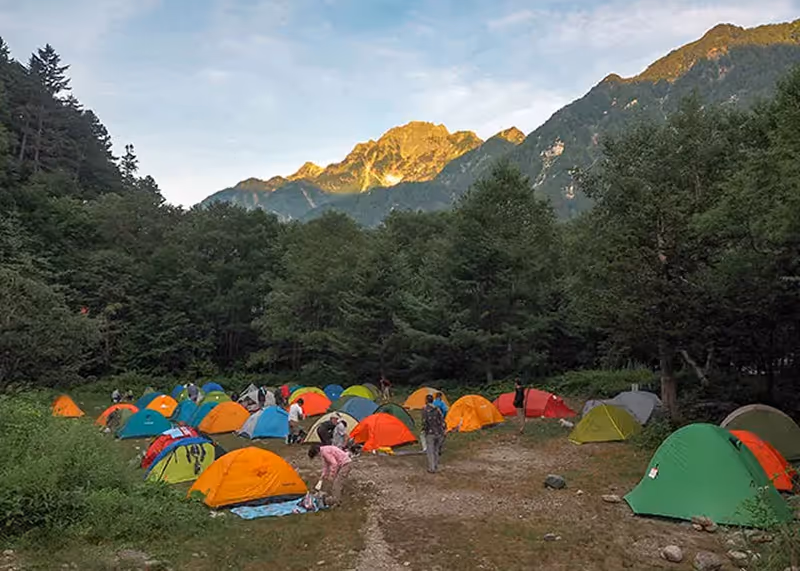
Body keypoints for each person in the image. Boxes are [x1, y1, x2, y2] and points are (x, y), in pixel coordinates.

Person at [422, 394, 446, 473]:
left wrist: (424, 431)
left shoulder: (425, 410)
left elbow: (425, 422)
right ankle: (435, 465)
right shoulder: (438, 409)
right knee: (436, 450)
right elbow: (442, 420)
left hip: (430, 432)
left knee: (430, 451)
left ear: (426, 400)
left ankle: (432, 468)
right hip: (439, 432)